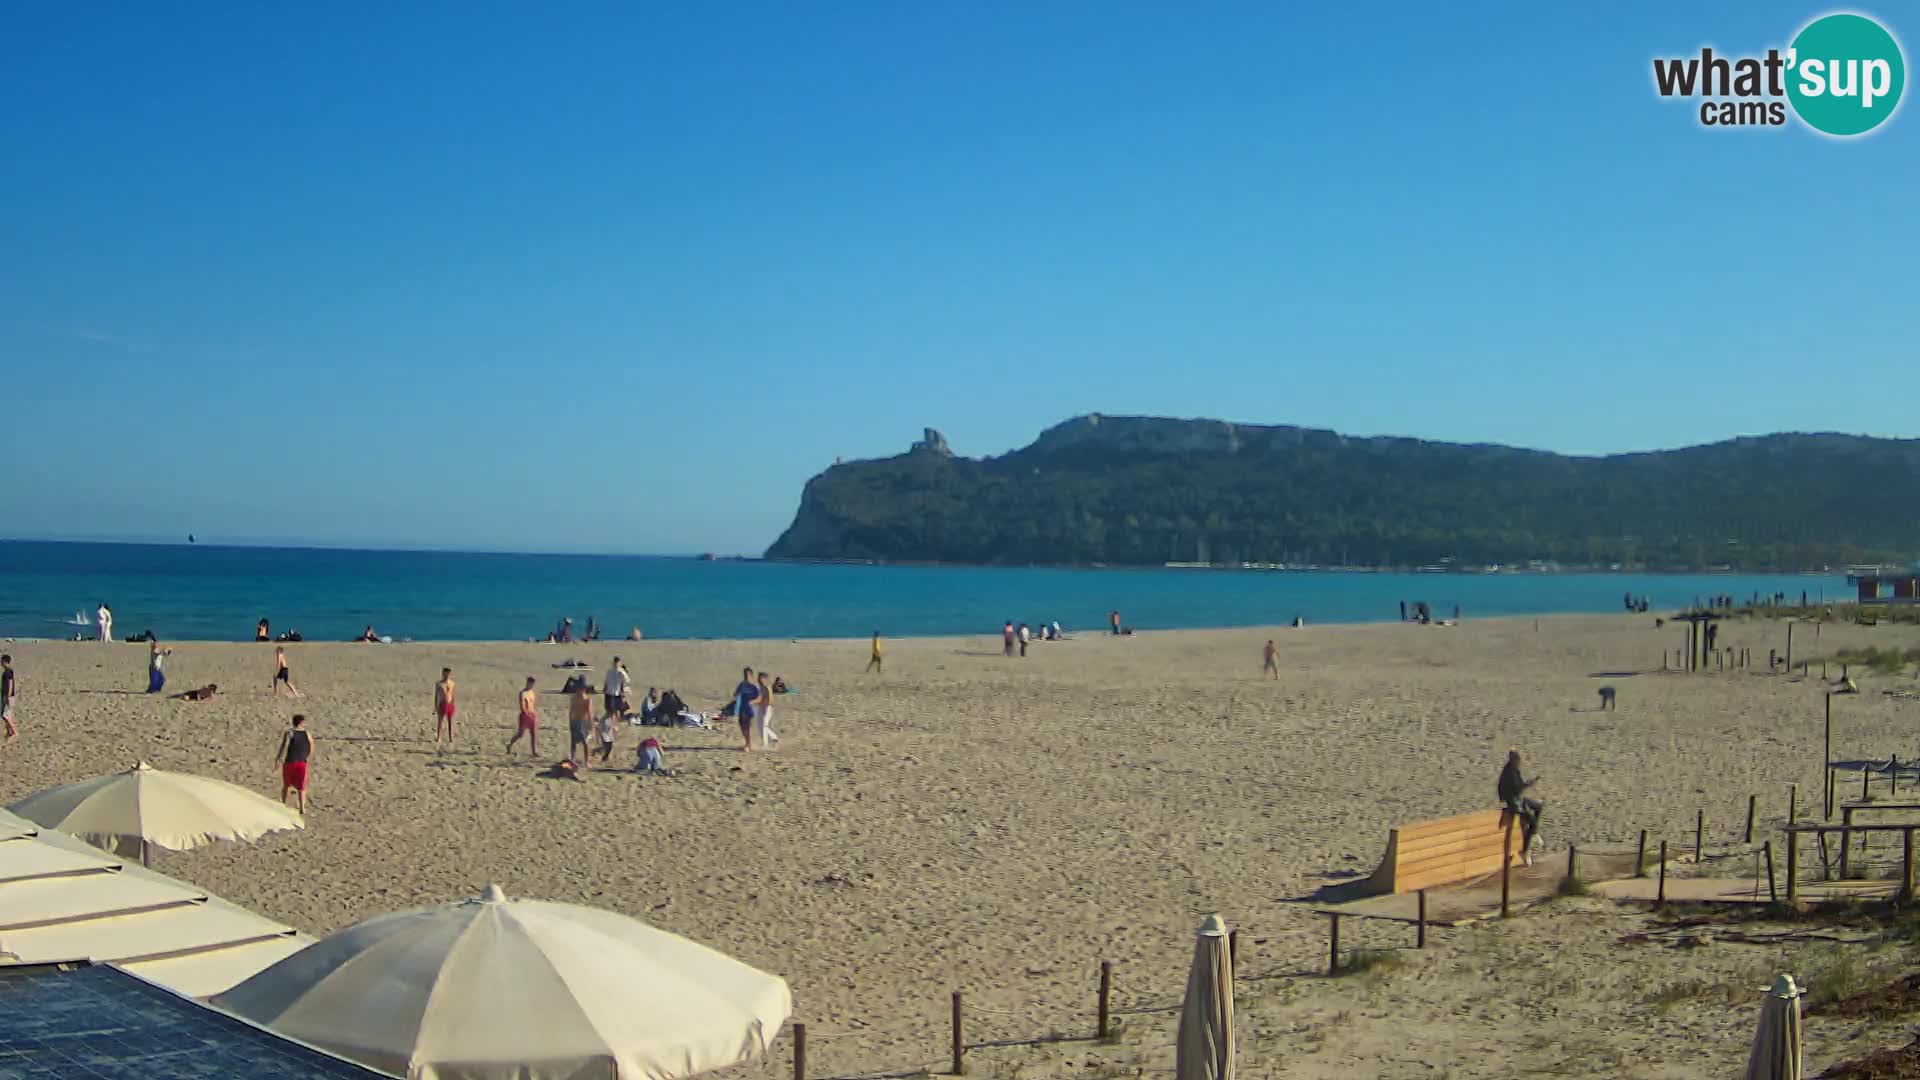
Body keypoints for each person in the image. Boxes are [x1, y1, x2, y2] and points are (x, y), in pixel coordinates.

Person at [1497, 750, 1543, 866]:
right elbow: (1517, 788)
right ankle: (1527, 846)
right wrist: (1529, 783)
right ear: (1514, 760)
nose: (1521, 762)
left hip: (1518, 799)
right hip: (1513, 803)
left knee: (1538, 806)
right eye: (1519, 760)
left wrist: (1528, 783)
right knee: (1531, 819)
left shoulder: (1514, 769)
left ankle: (1534, 834)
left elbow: (1519, 787)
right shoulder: (1509, 772)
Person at [275, 714, 314, 814]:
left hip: (290, 761)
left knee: (286, 785)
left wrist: (278, 759)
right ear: (301, 722)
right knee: (302, 786)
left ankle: (283, 804)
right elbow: (311, 745)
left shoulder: (289, 732)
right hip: (301, 762)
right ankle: (302, 808)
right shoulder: (307, 733)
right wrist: (307, 757)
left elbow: (284, 746)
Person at [507, 677, 540, 757]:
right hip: (525, 715)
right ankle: (510, 745)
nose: (531, 685)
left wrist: (534, 713)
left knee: (534, 733)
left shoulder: (532, 692)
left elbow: (532, 704)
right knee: (520, 734)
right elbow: (522, 705)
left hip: (532, 715)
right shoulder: (522, 693)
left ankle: (534, 752)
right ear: (527, 683)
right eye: (530, 683)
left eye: (532, 684)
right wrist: (526, 713)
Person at [568, 680, 595, 770]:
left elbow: (589, 713)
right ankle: (572, 758)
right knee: (573, 742)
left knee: (585, 742)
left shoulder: (587, 699)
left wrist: (590, 725)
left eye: (580, 688)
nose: (579, 690)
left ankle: (586, 761)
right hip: (575, 721)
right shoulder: (574, 698)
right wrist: (570, 721)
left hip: (583, 722)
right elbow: (571, 711)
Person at [733, 666, 761, 751]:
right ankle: (747, 743)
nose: (746, 676)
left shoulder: (754, 686)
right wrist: (736, 695)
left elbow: (759, 698)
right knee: (742, 726)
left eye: (747, 674)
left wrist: (753, 702)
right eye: (744, 674)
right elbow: (736, 694)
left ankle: (748, 745)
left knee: (746, 727)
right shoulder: (742, 684)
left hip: (749, 709)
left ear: (751, 675)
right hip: (742, 709)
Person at [755, 670, 779, 749]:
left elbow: (769, 700)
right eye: (759, 678)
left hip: (768, 707)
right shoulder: (758, 687)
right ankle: (769, 740)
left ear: (765, 679)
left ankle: (769, 741)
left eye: (761, 678)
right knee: (760, 725)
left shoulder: (767, 687)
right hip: (761, 707)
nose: (760, 680)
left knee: (764, 725)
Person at [434, 668, 457, 744]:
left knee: (450, 721)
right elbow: (436, 695)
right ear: (443, 674)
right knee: (440, 721)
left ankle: (450, 737)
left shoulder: (452, 683)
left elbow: (453, 694)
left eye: (448, 674)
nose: (447, 675)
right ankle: (439, 737)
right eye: (445, 674)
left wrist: (453, 704)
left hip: (450, 704)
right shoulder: (439, 684)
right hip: (442, 703)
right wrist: (436, 705)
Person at [604, 658, 630, 723]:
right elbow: (627, 680)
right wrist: (625, 671)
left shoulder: (613, 672)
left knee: (617, 709)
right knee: (613, 710)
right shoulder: (616, 672)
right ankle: (616, 721)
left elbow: (626, 681)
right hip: (612, 694)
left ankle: (617, 720)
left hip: (613, 694)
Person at [1, 655, 16, 739]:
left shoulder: (8, 671)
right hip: (5, 695)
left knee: (5, 715)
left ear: (5, 661)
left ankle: (14, 732)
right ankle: (9, 732)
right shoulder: (7, 671)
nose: (0, 663)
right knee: (7, 714)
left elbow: (10, 683)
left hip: (8, 696)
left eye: (1, 661)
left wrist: (8, 695)